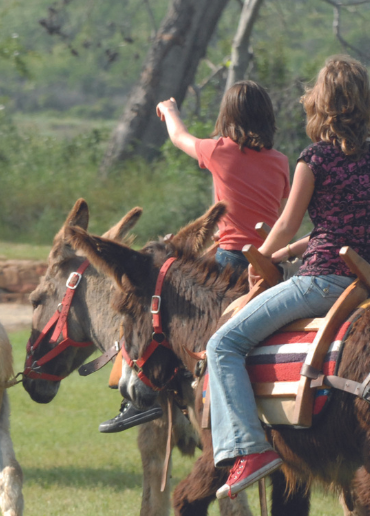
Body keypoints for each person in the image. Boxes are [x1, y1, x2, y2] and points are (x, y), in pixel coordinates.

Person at [206, 55, 370, 499]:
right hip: (368, 279)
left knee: (222, 344)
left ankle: (246, 449)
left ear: (322, 104)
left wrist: (262, 257)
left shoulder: (314, 159)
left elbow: (287, 223)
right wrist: (292, 249)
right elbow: (344, 225)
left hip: (322, 282)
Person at [100, 81, 291, 434]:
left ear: (228, 116)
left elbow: (179, 137)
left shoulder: (220, 150)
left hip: (230, 264)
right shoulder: (281, 162)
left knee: (162, 315)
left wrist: (169, 109)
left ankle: (139, 399)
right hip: (270, 266)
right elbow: (270, 215)